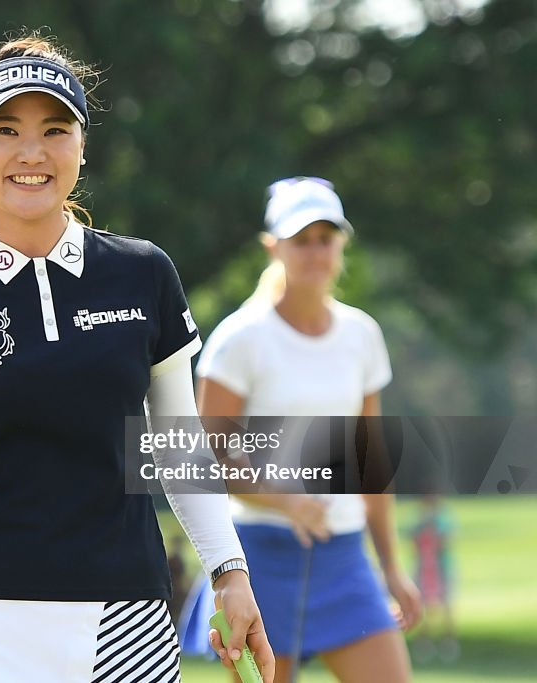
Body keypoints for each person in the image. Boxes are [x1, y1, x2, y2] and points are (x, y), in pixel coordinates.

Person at [0, 32, 274, 683]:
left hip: (127, 616)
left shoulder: (144, 274)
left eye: (55, 129)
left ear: (81, 147)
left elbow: (176, 447)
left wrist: (230, 570)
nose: (32, 152)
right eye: (5, 129)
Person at [181, 177, 422, 682]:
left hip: (343, 557)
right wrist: (285, 500)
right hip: (260, 558)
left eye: (325, 238)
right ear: (274, 247)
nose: (315, 251)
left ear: (341, 244)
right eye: (301, 239)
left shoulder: (362, 335)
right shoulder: (240, 339)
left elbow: (370, 460)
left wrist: (393, 570)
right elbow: (206, 457)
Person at [410, 493, 457, 663]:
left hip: (441, 569)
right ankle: (424, 644)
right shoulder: (419, 523)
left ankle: (449, 644)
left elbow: (445, 542)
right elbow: (414, 544)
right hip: (424, 569)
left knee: (446, 607)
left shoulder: (442, 521)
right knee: (423, 608)